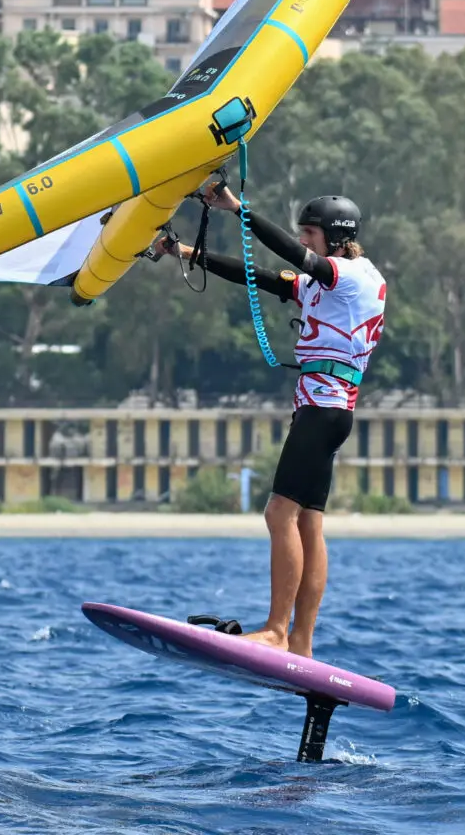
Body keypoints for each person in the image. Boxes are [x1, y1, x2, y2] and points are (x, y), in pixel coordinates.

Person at [154, 179, 385, 658]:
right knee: (308, 524)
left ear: (335, 238)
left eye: (310, 233)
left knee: (279, 513)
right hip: (326, 410)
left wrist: (236, 208)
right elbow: (256, 275)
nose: (303, 240)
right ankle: (300, 643)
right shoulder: (331, 281)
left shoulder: (351, 275)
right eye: (303, 232)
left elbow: (290, 254)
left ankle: (278, 630)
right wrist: (183, 251)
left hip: (323, 409)